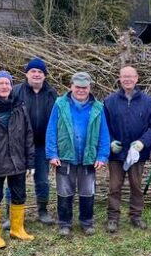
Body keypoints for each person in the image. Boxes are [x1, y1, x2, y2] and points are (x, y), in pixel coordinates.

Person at [0, 71, 36, 249]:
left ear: (11, 86)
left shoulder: (19, 107)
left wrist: (30, 161)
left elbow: (28, 135)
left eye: (7, 84)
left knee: (19, 195)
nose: (4, 87)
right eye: (0, 83)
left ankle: (17, 229)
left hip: (18, 161)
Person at [45, 72, 110, 236]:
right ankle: (64, 223)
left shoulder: (98, 107)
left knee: (88, 191)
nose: (81, 90)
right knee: (64, 191)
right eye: (78, 87)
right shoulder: (60, 104)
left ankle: (86, 222)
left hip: (88, 158)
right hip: (65, 156)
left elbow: (104, 133)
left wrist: (102, 156)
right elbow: (51, 130)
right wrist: (52, 154)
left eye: (84, 87)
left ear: (89, 88)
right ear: (71, 86)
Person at [103, 66, 151, 232]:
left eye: (131, 77)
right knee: (114, 187)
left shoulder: (149, 102)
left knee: (136, 186)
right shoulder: (109, 101)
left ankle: (136, 216)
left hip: (137, 154)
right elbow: (103, 127)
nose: (127, 80)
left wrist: (143, 143)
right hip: (116, 154)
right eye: (124, 77)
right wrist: (110, 142)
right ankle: (113, 218)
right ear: (119, 79)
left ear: (137, 79)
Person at [1, 57, 57, 228]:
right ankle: (11, 214)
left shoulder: (52, 94)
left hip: (41, 145)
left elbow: (57, 121)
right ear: (26, 74)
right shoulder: (16, 91)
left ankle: (43, 210)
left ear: (45, 75)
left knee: (42, 180)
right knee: (15, 180)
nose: (36, 74)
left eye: (40, 72)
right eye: (33, 71)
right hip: (19, 146)